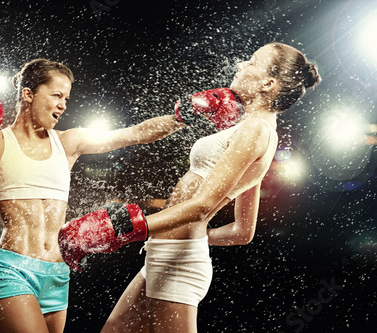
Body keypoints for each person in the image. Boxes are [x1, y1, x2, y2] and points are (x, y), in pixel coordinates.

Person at [0, 58, 242, 333]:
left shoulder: (69, 142)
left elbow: (135, 134)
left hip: (58, 275)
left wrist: (184, 114)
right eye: (56, 95)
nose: (63, 105)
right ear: (29, 94)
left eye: (67, 99)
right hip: (13, 272)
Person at [58, 42, 322, 332]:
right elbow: (242, 232)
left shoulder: (255, 130)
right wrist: (196, 238)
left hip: (177, 264)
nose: (240, 66)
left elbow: (203, 206)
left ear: (268, 83)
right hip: (171, 254)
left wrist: (127, 229)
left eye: (251, 62)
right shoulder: (258, 131)